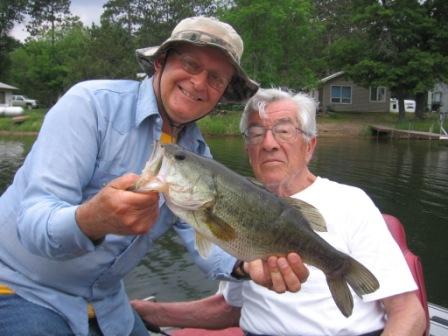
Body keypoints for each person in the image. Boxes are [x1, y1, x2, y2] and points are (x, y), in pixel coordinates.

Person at [0, 18, 308, 336]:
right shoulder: (90, 105)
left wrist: (243, 264)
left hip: (105, 301)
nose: (200, 83)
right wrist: (91, 220)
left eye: (216, 79)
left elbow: (205, 235)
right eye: (190, 64)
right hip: (20, 287)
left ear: (223, 93)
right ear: (160, 62)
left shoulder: (197, 154)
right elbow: (32, 221)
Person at [131, 88, 427, 336]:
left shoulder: (351, 202)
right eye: (256, 134)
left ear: (309, 146)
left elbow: (408, 313)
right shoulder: (241, 205)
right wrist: (152, 312)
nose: (269, 144)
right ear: (248, 149)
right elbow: (230, 308)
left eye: (283, 131)